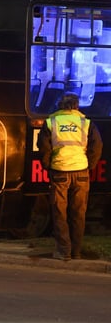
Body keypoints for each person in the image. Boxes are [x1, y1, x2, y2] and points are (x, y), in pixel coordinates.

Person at [38, 93, 102, 261]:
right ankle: (76, 252)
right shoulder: (86, 123)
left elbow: (44, 149)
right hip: (81, 172)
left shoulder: (51, 122)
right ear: (77, 106)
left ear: (60, 106)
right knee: (78, 213)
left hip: (59, 172)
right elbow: (97, 146)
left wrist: (49, 167)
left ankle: (63, 251)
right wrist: (89, 166)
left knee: (60, 213)